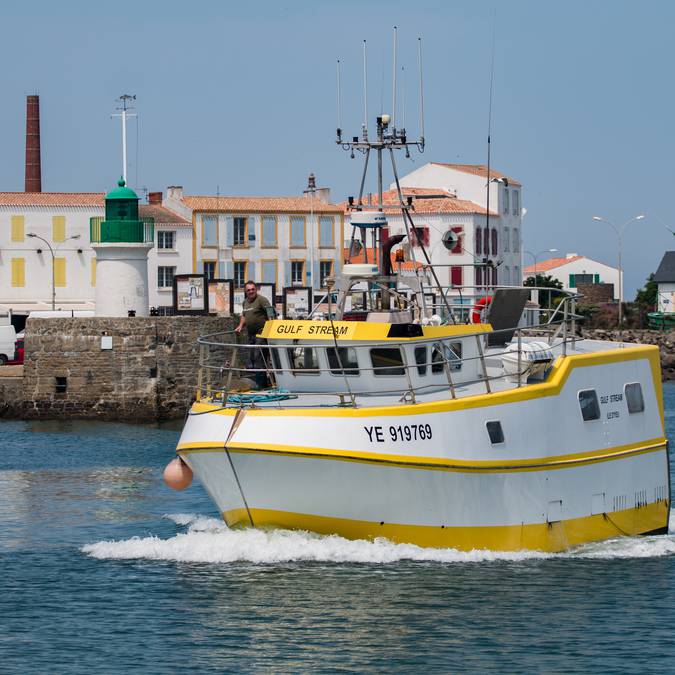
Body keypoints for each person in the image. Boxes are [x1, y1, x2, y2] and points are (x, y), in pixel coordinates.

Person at [235, 281, 274, 388]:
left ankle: (261, 385)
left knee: (259, 357)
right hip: (251, 334)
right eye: (248, 290)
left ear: (256, 289)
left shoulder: (261, 300)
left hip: (262, 333)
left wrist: (271, 326)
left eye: (253, 289)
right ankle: (256, 382)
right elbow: (244, 315)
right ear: (245, 291)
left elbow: (270, 313)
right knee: (251, 358)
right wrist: (240, 326)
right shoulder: (245, 302)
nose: (251, 291)